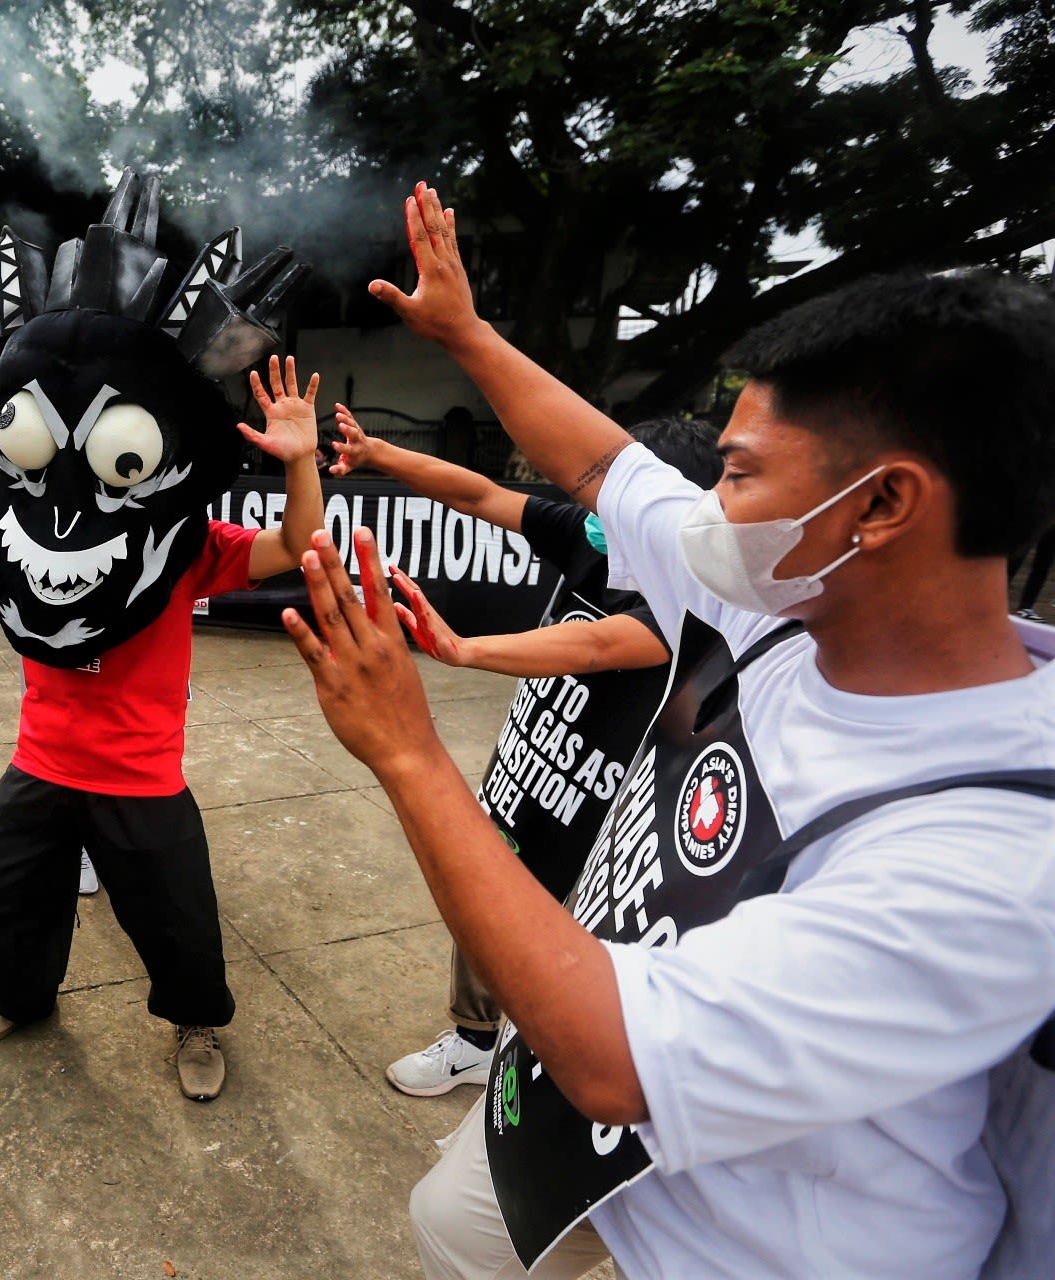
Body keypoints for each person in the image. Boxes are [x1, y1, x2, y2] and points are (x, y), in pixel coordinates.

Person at [286, 182, 1055, 1279]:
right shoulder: (785, 605)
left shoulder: (992, 856)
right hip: (597, 1153)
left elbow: (613, 1058)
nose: (706, 507)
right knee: (450, 1225)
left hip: (760, 1242)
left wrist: (406, 749)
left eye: (738, 474)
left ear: (882, 506)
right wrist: (465, 333)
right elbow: (603, 467)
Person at [0, 337, 325, 1101]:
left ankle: (195, 1022)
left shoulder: (184, 544)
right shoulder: (12, 528)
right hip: (41, 763)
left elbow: (297, 544)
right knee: (4, 894)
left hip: (142, 778)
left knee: (177, 920)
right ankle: (20, 998)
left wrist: (301, 461)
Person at [328, 404, 720, 1096]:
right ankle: (474, 1041)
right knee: (484, 900)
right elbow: (480, 495)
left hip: (596, 812)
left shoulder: (692, 604)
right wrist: (379, 454)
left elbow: (595, 644)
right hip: (526, 769)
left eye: (617, 495)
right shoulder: (593, 540)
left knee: (563, 948)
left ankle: (547, 1069)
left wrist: (464, 649)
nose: (594, 506)